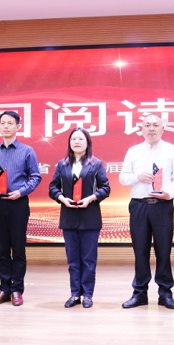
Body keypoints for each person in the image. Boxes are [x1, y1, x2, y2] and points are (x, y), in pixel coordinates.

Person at [119, 114, 174, 310]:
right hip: (139, 205)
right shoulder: (133, 151)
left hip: (163, 205)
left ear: (162, 129)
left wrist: (169, 193)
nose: (151, 129)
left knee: (164, 251)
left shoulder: (173, 150)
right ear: (141, 129)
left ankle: (165, 293)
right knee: (140, 251)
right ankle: (139, 293)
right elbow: (123, 178)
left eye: (156, 125)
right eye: (147, 125)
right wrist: (137, 177)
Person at [0, 110, 42, 306]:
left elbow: (36, 177)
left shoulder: (27, 151)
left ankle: (17, 289)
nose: (6, 126)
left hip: (17, 203)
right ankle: (4, 288)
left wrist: (21, 192)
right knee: (2, 248)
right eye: (3, 123)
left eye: (10, 123)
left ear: (18, 126)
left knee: (18, 248)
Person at [48, 128, 110, 309]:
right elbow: (53, 187)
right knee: (73, 260)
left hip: (90, 217)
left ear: (87, 142)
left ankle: (88, 295)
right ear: (69, 142)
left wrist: (91, 198)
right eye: (73, 139)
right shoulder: (62, 164)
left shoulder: (96, 164)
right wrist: (62, 198)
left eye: (81, 139)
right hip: (69, 217)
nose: (76, 142)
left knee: (88, 260)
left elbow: (105, 188)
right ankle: (75, 294)